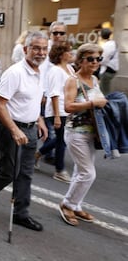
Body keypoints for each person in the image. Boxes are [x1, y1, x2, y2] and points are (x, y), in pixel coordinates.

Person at [0, 31, 48, 232]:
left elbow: (33, 100)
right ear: (26, 50)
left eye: (44, 48)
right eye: (36, 48)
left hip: (30, 129)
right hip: (11, 128)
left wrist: (39, 119)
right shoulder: (15, 73)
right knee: (8, 173)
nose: (40, 52)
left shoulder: (41, 71)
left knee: (26, 174)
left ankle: (21, 214)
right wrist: (14, 130)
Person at [59, 43, 107, 226]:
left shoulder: (95, 80)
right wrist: (93, 103)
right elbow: (68, 107)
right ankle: (67, 204)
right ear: (80, 60)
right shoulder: (73, 80)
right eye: (91, 59)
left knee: (80, 171)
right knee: (88, 173)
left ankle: (76, 205)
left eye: (98, 59)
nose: (95, 62)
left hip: (92, 133)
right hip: (76, 132)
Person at [35, 42, 75, 183]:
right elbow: (54, 94)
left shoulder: (70, 68)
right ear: (62, 54)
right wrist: (57, 116)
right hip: (57, 110)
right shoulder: (55, 71)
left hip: (69, 109)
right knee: (62, 140)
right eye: (69, 51)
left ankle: (37, 154)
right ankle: (59, 170)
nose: (71, 54)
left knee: (60, 139)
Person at [38, 21, 69, 165]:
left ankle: (45, 153)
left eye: (61, 33)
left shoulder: (66, 51)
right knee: (53, 129)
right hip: (48, 95)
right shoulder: (46, 49)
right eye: (54, 33)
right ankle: (51, 158)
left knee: (57, 132)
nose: (58, 36)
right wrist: (43, 93)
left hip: (64, 99)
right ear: (50, 34)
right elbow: (42, 72)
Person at [98, 28, 118, 95]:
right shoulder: (112, 43)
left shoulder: (108, 45)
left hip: (106, 70)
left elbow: (104, 59)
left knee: (104, 92)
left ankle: (106, 104)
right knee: (104, 90)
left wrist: (98, 62)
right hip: (110, 69)